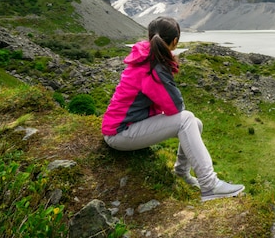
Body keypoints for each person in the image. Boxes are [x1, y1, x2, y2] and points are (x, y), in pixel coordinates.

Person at [101, 16, 244, 202]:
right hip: (120, 134)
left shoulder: (147, 57)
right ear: (175, 41)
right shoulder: (154, 67)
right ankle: (210, 185)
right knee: (186, 119)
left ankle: (181, 173)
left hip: (125, 126)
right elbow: (176, 107)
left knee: (195, 123)